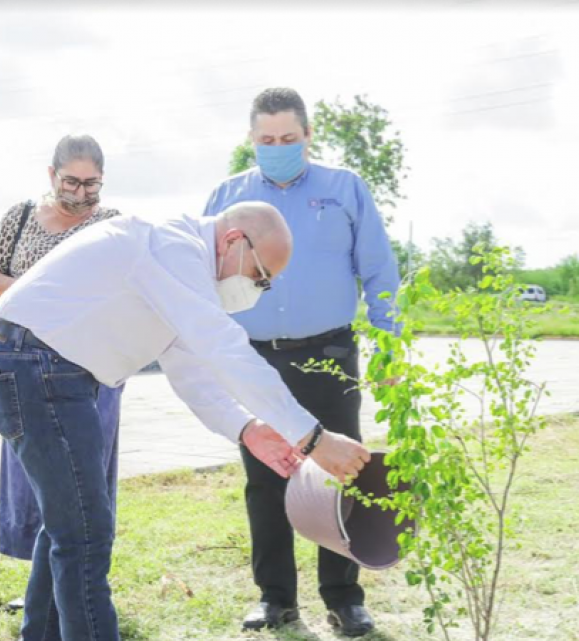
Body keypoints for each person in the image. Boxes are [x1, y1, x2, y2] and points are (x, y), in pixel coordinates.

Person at [0, 201, 371, 641]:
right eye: (260, 276)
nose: (257, 290)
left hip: (45, 366)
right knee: (84, 533)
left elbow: (193, 370)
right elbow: (224, 348)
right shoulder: (170, 243)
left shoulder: (181, 270)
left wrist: (247, 428)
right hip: (35, 363)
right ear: (233, 240)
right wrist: (314, 439)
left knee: (69, 526)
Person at [202, 87, 400, 636]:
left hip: (328, 356)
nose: (278, 147)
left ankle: (343, 596)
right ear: (251, 139)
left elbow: (380, 271)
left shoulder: (345, 189)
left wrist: (389, 341)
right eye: (267, 140)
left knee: (341, 471)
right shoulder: (226, 195)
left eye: (289, 138)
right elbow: (202, 274)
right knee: (265, 476)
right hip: (255, 360)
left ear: (309, 135)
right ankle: (275, 600)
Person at [0, 135, 125, 610]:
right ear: (51, 175)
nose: (81, 194)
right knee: (36, 479)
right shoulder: (20, 217)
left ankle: (77, 585)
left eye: (92, 184)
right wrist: (41, 291)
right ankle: (41, 594)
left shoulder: (111, 225)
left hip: (88, 372)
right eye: (72, 182)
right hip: (21, 370)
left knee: (82, 484)